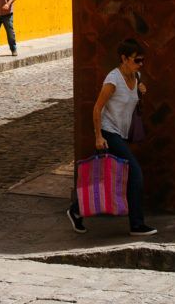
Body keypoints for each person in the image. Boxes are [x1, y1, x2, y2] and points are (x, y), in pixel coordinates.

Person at [67, 37, 156, 236]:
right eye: (136, 60)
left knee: (105, 176)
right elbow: (97, 109)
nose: (140, 64)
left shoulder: (137, 77)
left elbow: (130, 106)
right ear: (124, 58)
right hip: (109, 132)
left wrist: (141, 93)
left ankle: (76, 210)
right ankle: (136, 224)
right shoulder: (113, 80)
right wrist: (98, 136)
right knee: (135, 174)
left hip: (122, 134)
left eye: (142, 60)